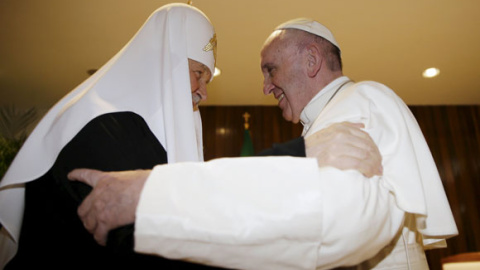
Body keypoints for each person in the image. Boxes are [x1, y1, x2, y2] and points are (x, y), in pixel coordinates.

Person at [0, 4, 381, 269]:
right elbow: (156, 245)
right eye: (197, 73)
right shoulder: (101, 128)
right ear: (160, 63)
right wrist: (302, 155)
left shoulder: (132, 132)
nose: (203, 92)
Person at [67, 18, 459, 270]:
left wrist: (151, 197)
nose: (265, 87)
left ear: (311, 60)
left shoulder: (359, 100)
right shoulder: (326, 119)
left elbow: (339, 217)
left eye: (270, 69)